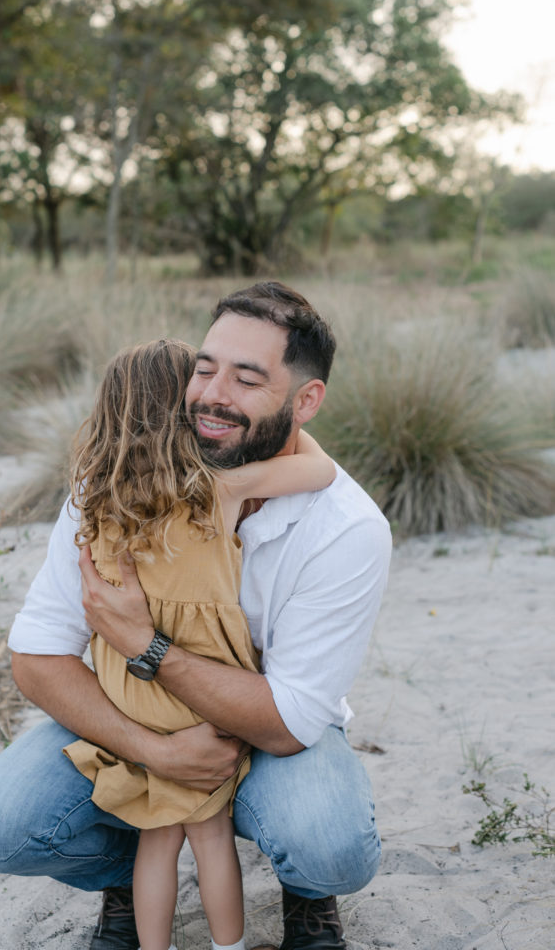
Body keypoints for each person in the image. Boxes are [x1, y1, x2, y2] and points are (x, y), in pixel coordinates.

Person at [0, 281, 392, 950]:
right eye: (204, 367)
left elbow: (288, 721)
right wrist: (158, 752)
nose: (213, 393)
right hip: (139, 720)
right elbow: (38, 656)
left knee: (328, 845)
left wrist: (144, 641)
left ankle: (307, 895)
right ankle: (127, 877)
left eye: (247, 379)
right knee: (2, 827)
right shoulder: (116, 488)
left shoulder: (346, 529)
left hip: (270, 729)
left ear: (305, 401)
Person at [63, 338, 336, 950]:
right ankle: (227, 946)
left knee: (158, 838)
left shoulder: (98, 499)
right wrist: (299, 420)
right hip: (198, 690)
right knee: (209, 836)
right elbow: (319, 471)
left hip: (128, 693)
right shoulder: (218, 490)